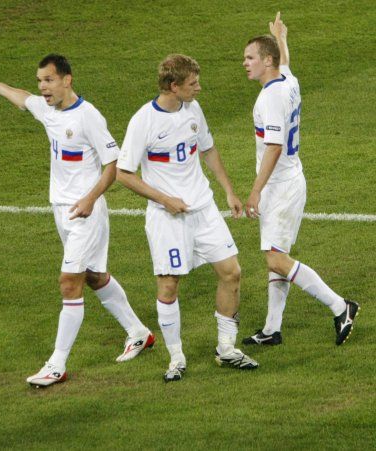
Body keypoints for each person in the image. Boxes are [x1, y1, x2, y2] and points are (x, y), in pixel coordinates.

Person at [0, 54, 155, 387]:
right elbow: (24, 98)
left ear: (67, 80)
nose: (43, 88)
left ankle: (56, 365)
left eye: (48, 80)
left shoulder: (88, 117)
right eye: (40, 81)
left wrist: (90, 198)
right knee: (93, 276)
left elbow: (113, 164)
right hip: (61, 211)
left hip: (86, 214)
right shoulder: (48, 110)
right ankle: (139, 332)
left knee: (68, 282)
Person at [116, 54, 258, 382]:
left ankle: (226, 348)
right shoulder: (144, 121)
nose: (199, 88)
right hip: (167, 218)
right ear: (173, 86)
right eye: (192, 83)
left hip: (204, 209)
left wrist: (228, 191)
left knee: (232, 272)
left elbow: (207, 149)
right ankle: (176, 357)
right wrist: (164, 199)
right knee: (168, 286)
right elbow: (124, 174)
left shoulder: (193, 109)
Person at [241, 12, 359, 347]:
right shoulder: (287, 81)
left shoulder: (271, 97)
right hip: (290, 179)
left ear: (266, 61)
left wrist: (255, 191)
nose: (244, 63)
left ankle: (341, 307)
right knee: (276, 257)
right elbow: (286, 62)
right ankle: (271, 328)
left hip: (280, 187)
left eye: (250, 58)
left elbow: (274, 148)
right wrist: (281, 37)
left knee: (276, 259)